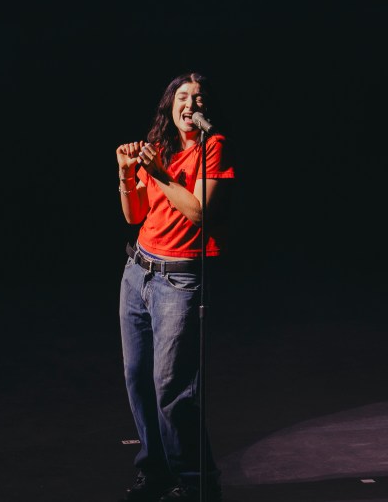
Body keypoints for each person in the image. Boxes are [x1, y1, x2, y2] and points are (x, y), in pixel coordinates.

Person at [115, 72, 234, 502]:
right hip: (138, 271)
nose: (190, 104)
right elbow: (134, 215)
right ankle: (156, 470)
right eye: (182, 96)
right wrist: (126, 173)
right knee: (137, 379)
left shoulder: (212, 147)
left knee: (172, 387)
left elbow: (199, 212)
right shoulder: (159, 145)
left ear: (206, 107)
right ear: (170, 104)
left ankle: (197, 480)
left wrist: (159, 173)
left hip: (178, 279)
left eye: (198, 98)